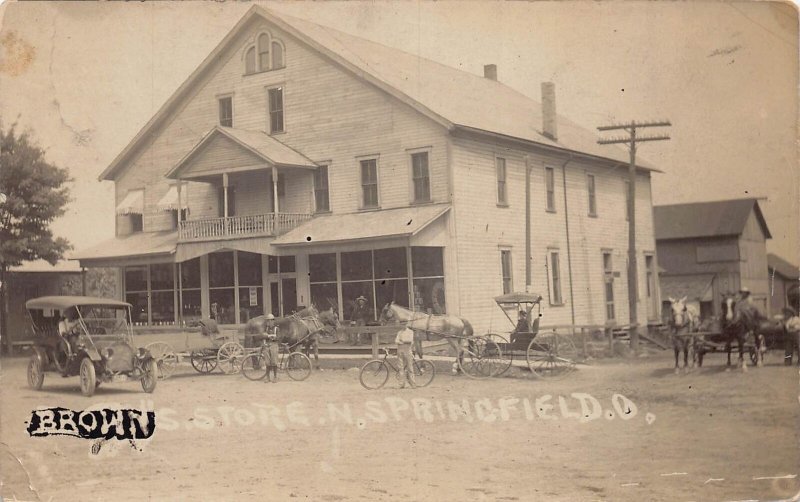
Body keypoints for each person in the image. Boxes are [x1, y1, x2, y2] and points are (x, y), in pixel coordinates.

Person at [394, 324, 417, 389]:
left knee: (410, 367)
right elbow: (396, 341)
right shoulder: (399, 332)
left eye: (404, 324)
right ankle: (401, 384)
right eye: (401, 324)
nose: (403, 325)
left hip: (407, 351)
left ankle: (413, 383)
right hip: (400, 350)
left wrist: (402, 340)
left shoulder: (410, 332)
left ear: (406, 324)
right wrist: (402, 341)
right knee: (400, 368)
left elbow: (410, 341)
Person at [263, 313, 280, 383]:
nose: (269, 322)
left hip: (274, 345)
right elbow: (263, 336)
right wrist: (266, 338)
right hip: (267, 345)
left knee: (274, 362)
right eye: (268, 321)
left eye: (271, 321)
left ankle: (275, 377)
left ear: (273, 321)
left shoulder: (276, 329)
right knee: (267, 362)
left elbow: (279, 338)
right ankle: (268, 377)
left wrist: (273, 337)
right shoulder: (266, 329)